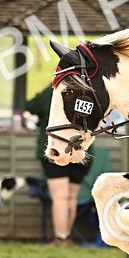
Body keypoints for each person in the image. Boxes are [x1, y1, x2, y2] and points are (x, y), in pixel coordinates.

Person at [25, 83, 91, 245]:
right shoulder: (84, 93)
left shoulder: (52, 93)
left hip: (56, 149)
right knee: (71, 197)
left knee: (60, 197)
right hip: (80, 149)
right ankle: (67, 236)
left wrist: (48, 85)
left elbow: (31, 106)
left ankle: (60, 238)